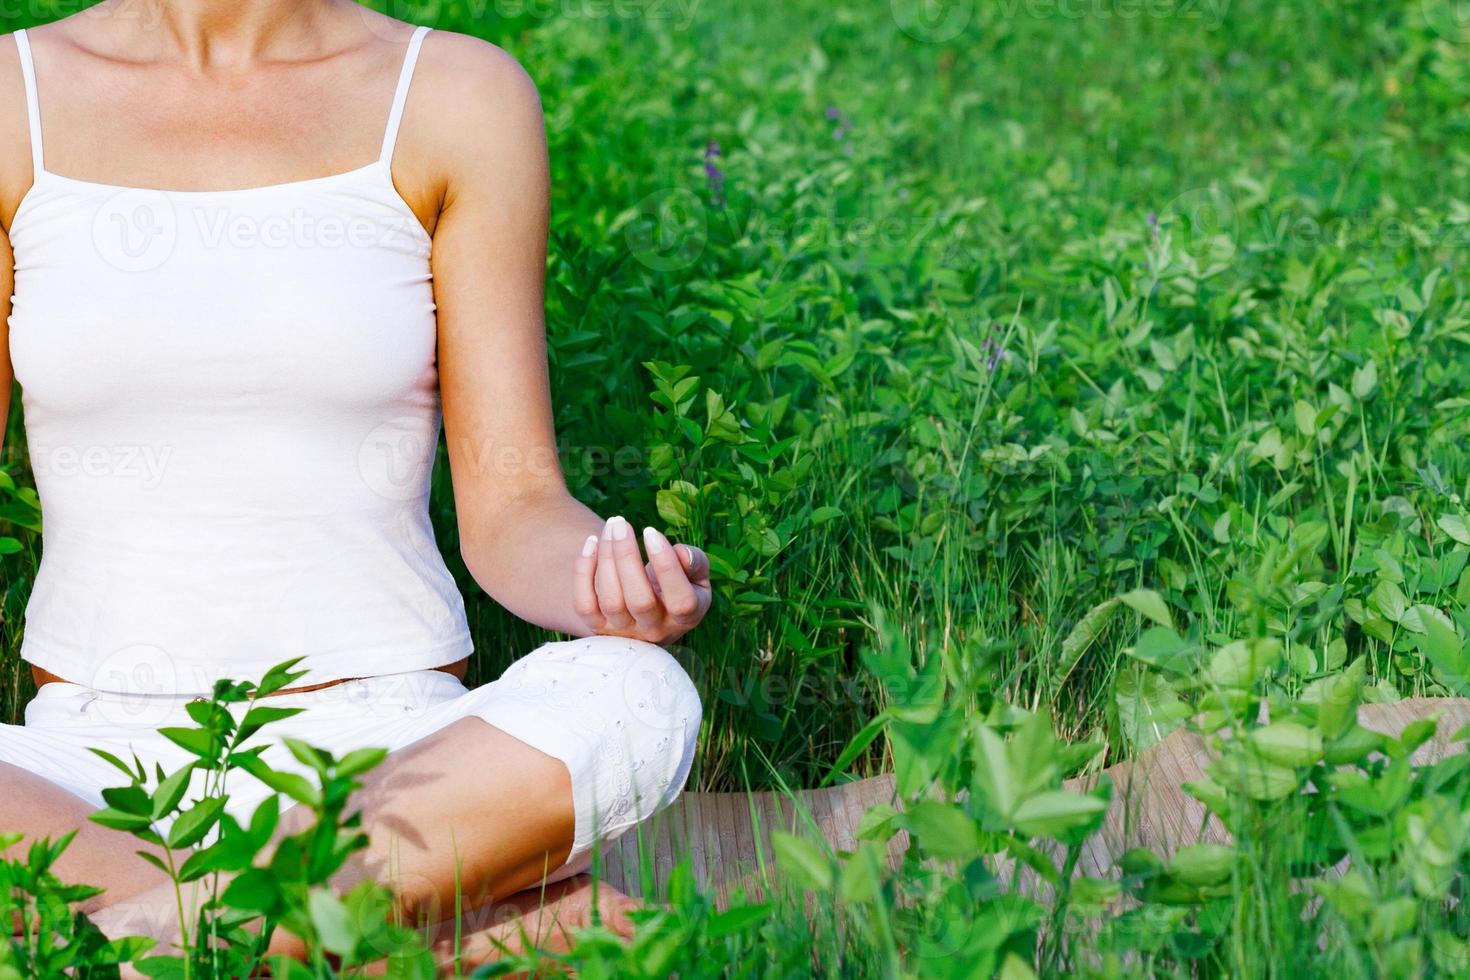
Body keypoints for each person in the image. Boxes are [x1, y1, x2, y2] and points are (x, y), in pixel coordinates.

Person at [0, 0, 710, 963]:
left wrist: (612, 581)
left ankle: (150, 940)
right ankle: (430, 932)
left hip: (392, 763)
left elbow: (513, 506)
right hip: (86, 767)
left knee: (638, 696)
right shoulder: (14, 96)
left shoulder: (456, 94)